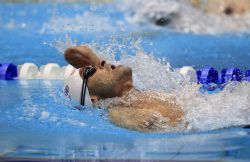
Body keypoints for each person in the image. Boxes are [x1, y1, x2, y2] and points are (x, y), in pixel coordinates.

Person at [64, 45, 184, 132]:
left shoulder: (136, 98)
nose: (102, 62)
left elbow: (81, 51)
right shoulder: (118, 114)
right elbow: (166, 123)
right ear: (93, 99)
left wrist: (96, 63)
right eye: (89, 70)